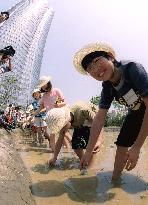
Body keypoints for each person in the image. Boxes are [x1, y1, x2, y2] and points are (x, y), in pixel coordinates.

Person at [73, 42, 148, 180]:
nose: (95, 69)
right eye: (90, 68)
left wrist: (137, 147)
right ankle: (115, 179)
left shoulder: (132, 68)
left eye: (96, 61)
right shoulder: (107, 87)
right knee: (121, 144)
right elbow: (99, 118)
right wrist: (88, 152)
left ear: (111, 57)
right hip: (136, 112)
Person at [48, 101, 103, 168]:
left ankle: (90, 167)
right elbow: (59, 140)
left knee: (92, 145)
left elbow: (99, 123)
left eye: (61, 127)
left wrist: (99, 141)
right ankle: (83, 160)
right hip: (78, 123)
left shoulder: (83, 110)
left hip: (92, 121)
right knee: (76, 144)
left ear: (67, 121)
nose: (61, 129)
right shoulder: (66, 121)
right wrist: (54, 158)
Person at [36, 76, 67, 151]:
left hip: (59, 115)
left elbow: (65, 102)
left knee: (64, 134)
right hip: (50, 118)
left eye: (44, 84)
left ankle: (69, 150)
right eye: (42, 86)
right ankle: (53, 153)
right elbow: (40, 107)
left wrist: (58, 105)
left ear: (48, 83)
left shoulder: (56, 91)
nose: (43, 87)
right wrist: (35, 113)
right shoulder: (44, 96)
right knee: (52, 135)